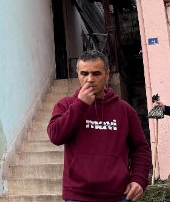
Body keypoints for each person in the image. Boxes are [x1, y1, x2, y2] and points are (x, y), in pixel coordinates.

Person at [47, 51, 151, 202]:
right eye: (84, 74)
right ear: (77, 74)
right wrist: (80, 105)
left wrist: (139, 178)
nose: (90, 79)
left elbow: (140, 148)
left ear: (107, 74)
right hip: (78, 196)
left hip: (119, 195)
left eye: (96, 74)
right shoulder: (66, 105)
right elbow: (55, 136)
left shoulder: (125, 110)